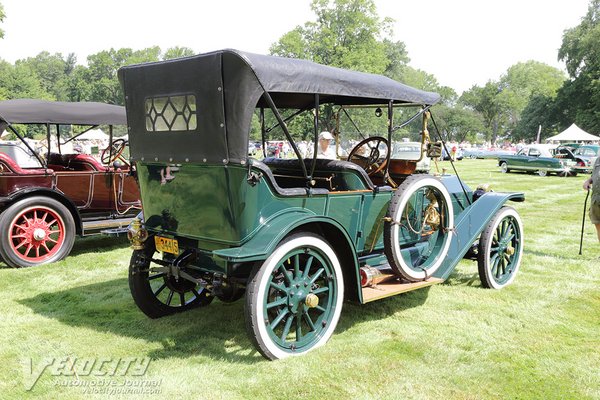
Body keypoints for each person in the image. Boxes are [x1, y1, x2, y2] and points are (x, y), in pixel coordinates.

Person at [582, 156, 600, 243]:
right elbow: (594, 175)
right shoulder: (598, 159)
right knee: (598, 225)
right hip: (596, 199)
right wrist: (588, 181)